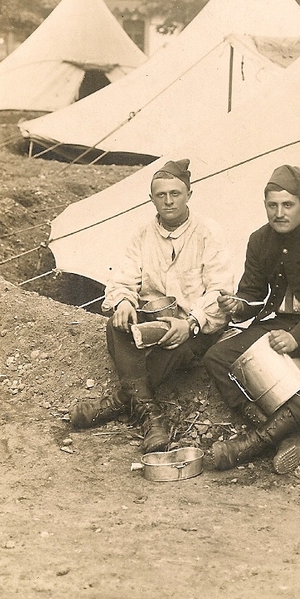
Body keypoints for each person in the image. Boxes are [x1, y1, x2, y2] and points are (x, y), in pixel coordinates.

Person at [70, 158, 234, 453]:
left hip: (194, 328)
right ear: (151, 199)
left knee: (177, 349)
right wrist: (122, 302)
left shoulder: (208, 232)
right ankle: (151, 415)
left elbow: (221, 291)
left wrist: (191, 322)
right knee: (116, 326)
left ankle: (122, 403)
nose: (169, 201)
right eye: (161, 195)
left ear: (189, 195)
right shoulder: (143, 234)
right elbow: (124, 278)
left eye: (175, 194)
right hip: (153, 323)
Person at [203, 164, 300, 474]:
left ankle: (255, 442)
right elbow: (252, 294)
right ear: (265, 206)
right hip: (278, 324)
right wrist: (238, 306)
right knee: (216, 358)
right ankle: (284, 433)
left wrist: (298, 337)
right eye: (272, 205)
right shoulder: (259, 240)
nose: (280, 213)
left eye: (288, 205)